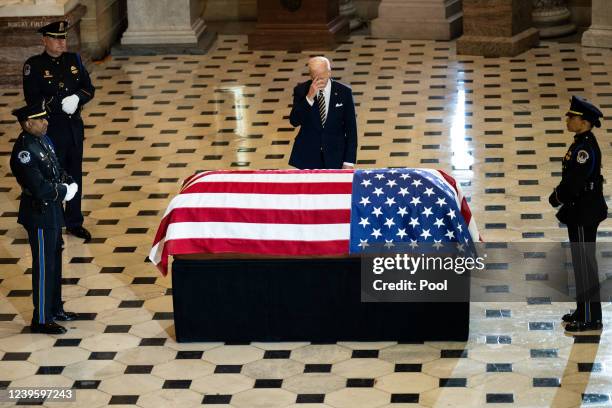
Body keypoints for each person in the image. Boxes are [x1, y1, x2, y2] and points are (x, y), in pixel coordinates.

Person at [10, 102, 80, 334]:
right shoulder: (24, 152)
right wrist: (63, 191)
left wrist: (67, 180)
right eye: (40, 120)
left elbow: (56, 167)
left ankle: (55, 308)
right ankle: (40, 318)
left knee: (56, 260)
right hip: (38, 213)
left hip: (52, 211)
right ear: (28, 123)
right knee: (43, 265)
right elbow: (39, 188)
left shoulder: (44, 140)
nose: (46, 122)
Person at [22, 20, 95, 242]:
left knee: (74, 175)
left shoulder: (75, 60)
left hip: (73, 129)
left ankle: (74, 221)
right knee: (51, 176)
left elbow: (88, 88)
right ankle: (52, 221)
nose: (61, 42)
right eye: (55, 38)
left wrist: (78, 98)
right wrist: (58, 103)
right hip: (50, 130)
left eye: (63, 38)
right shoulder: (33, 65)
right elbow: (32, 99)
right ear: (44, 40)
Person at [549, 95, 607, 332]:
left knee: (585, 265)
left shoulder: (584, 149)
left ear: (584, 122)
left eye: (572, 116)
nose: (568, 119)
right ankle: (584, 310)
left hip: (584, 210)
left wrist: (556, 197)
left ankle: (592, 318)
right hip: (580, 210)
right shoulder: (581, 142)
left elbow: (574, 182)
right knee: (581, 263)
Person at [288, 56, 357, 169]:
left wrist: (349, 162)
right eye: (316, 78)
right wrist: (309, 98)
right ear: (311, 76)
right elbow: (294, 121)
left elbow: (351, 130)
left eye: (322, 77)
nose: (320, 81)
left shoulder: (344, 92)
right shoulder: (301, 90)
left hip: (336, 156)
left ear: (329, 73)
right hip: (307, 157)